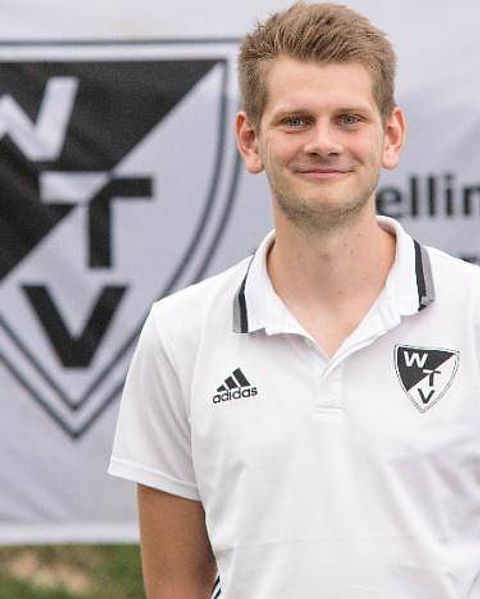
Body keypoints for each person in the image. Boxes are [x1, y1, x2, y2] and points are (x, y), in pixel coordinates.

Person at [109, 3, 480, 598]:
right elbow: (175, 585)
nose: (324, 143)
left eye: (349, 119)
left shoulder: (472, 312)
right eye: (296, 121)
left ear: (390, 136)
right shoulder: (180, 332)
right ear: (250, 140)